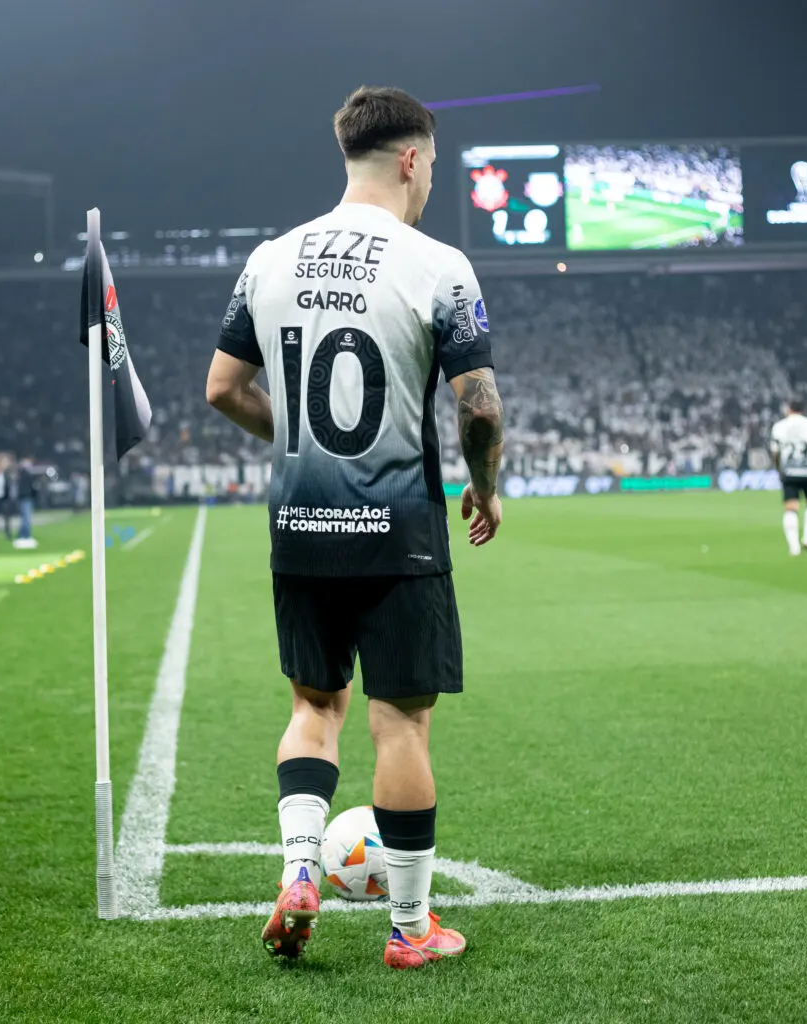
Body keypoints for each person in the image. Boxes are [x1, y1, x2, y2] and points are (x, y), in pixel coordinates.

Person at [206, 85, 504, 969]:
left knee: (312, 705)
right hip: (398, 530)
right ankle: (411, 931)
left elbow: (222, 387)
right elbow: (478, 409)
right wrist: (485, 487)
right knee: (399, 725)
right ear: (411, 158)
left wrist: (294, 435)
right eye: (433, 166)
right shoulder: (437, 263)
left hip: (298, 523)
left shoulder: (269, 258)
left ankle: (300, 868)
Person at [770, 398, 807, 556]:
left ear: (788, 409)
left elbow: (775, 452)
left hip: (789, 471)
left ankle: (793, 547)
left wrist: (778, 470)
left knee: (790, 507)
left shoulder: (779, 426)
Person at [14, 458, 38, 549]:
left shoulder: (20, 476)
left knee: (24, 517)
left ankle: (22, 534)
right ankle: (26, 535)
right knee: (26, 518)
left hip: (23, 498)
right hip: (26, 498)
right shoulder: (27, 476)